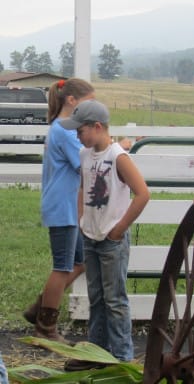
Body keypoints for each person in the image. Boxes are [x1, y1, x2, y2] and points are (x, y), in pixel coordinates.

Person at [59, 99, 150, 369]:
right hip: (91, 236)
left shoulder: (117, 157)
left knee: (115, 299)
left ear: (97, 127)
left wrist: (119, 229)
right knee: (96, 297)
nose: (77, 136)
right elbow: (82, 188)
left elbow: (143, 193)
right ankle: (96, 353)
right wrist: (80, 220)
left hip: (111, 240)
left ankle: (122, 358)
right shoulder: (85, 155)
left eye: (80, 131)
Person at [22, 78, 95, 343]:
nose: (92, 108)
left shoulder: (62, 128)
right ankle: (46, 328)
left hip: (65, 205)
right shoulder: (65, 131)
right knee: (63, 266)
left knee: (80, 261)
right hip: (63, 205)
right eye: (89, 103)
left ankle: (41, 308)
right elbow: (84, 164)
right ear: (72, 101)